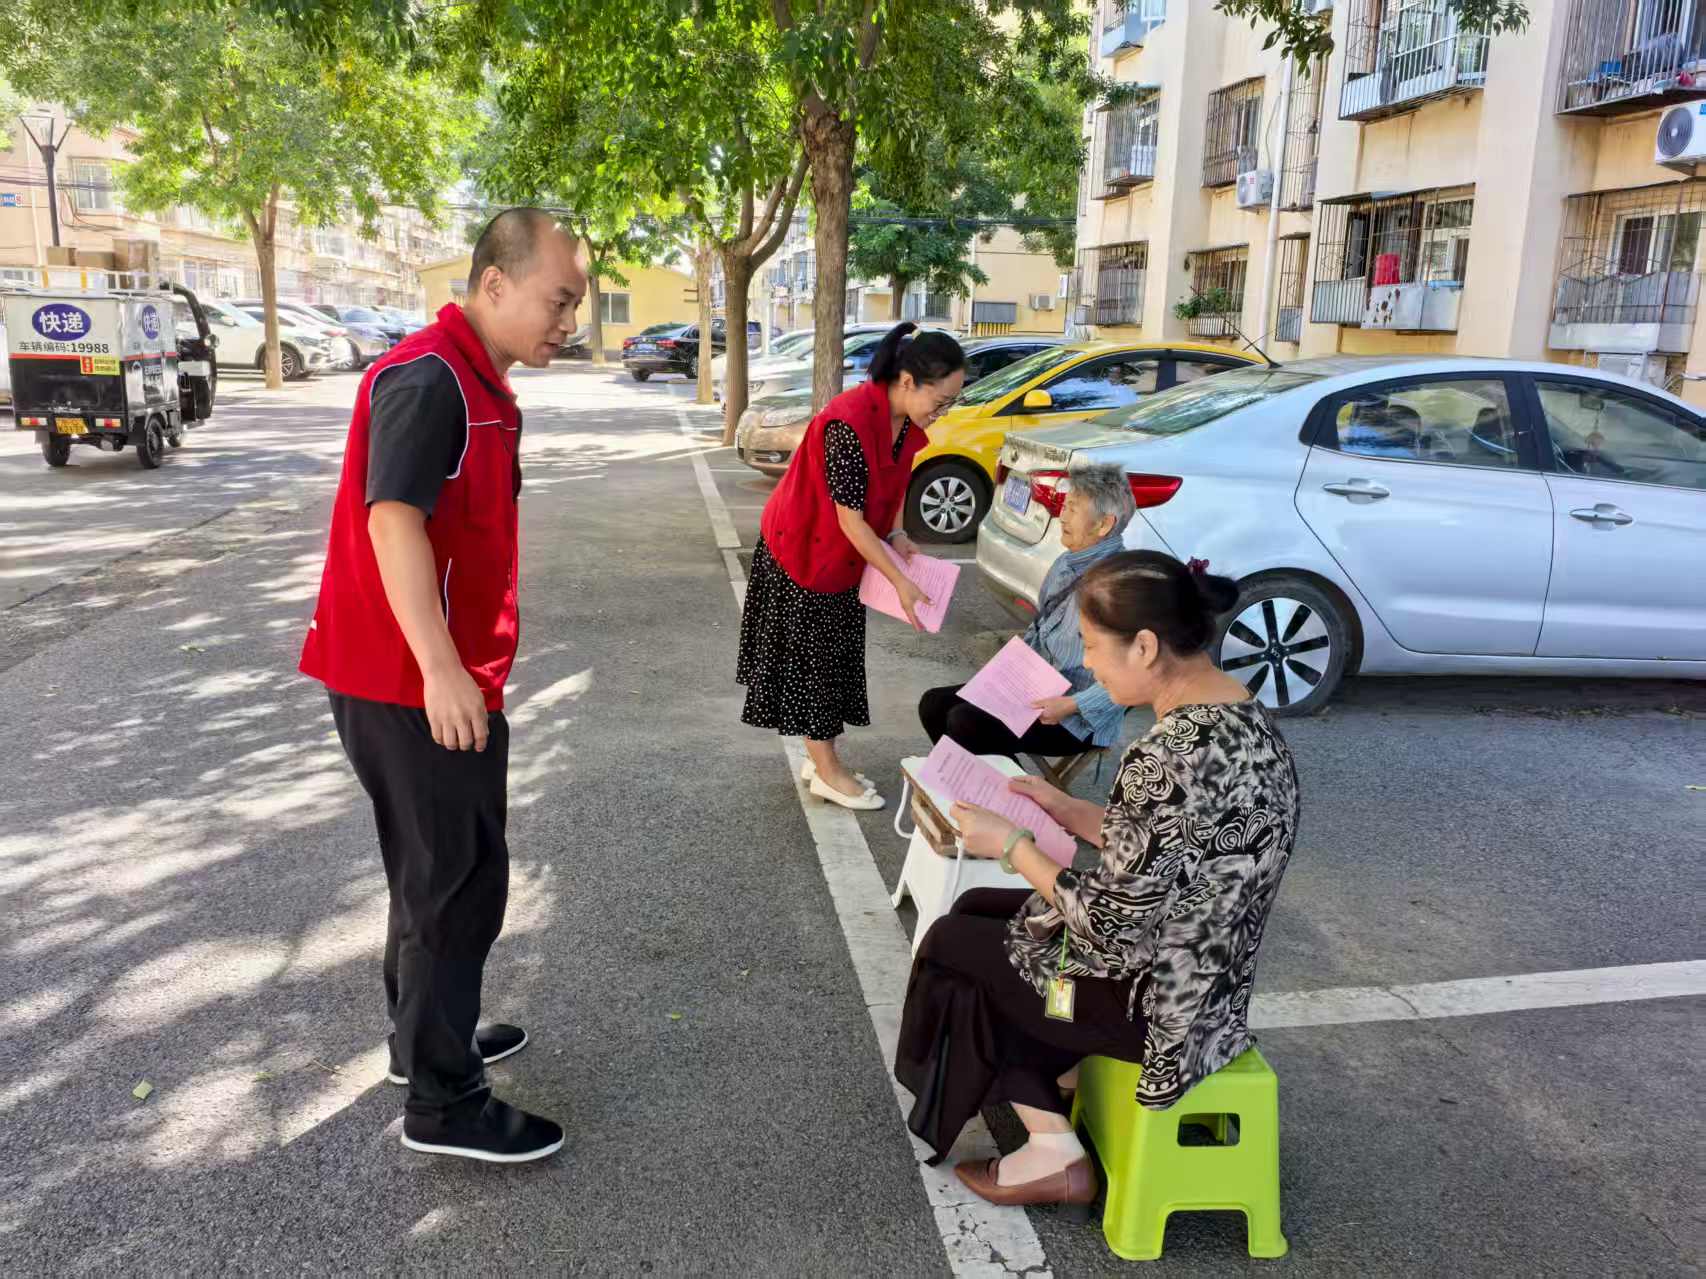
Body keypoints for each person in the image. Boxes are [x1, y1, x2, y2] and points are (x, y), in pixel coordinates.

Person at [299, 207, 587, 1164]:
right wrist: (439, 669)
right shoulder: (431, 378)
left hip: (430, 677)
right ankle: (444, 1099)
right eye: (558, 300)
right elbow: (393, 521)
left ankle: (422, 1040)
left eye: (576, 305)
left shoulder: (477, 380)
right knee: (458, 884)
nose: (569, 322)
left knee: (430, 872)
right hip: (412, 684)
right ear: (494, 283)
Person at [894, 551, 1300, 1211]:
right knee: (980, 909)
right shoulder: (1248, 721)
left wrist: (1013, 844)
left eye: (1091, 646)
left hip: (1151, 1009)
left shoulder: (1165, 754)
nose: (1088, 664)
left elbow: (1110, 924)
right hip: (1211, 987)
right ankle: (1053, 1072)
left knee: (954, 944)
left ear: (1144, 646)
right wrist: (1067, 809)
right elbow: (1176, 844)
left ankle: (1053, 1149)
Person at [736, 322, 966, 811]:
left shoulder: (907, 424)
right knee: (813, 664)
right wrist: (900, 581)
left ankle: (820, 759)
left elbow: (897, 484)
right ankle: (827, 771)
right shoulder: (849, 422)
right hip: (804, 551)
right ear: (908, 382)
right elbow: (851, 521)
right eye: (941, 400)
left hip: (841, 556)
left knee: (832, 659)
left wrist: (898, 535)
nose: (943, 411)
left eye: (951, 402)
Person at [918, 463, 1135, 761]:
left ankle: (1009, 789)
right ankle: (977, 782)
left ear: (1104, 525)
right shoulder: (1065, 562)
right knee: (934, 704)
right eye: (1065, 506)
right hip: (1035, 687)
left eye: (1073, 509)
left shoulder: (1123, 586)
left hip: (1074, 716)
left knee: (966, 722)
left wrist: (1071, 705)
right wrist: (1006, 673)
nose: (1062, 517)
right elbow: (1040, 625)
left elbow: (1130, 680)